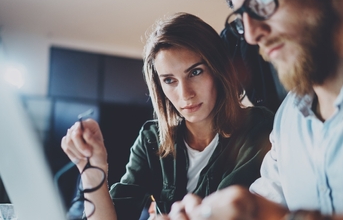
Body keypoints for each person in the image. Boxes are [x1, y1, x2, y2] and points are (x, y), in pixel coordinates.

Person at [61, 12, 274, 220]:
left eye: (195, 72)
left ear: (218, 70)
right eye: (169, 80)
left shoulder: (256, 127)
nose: (185, 94)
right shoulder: (151, 139)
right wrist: (91, 168)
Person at [157, 0, 343, 219]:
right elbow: (264, 198)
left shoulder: (258, 124)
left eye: (261, 1)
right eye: (241, 16)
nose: (251, 36)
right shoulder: (288, 120)